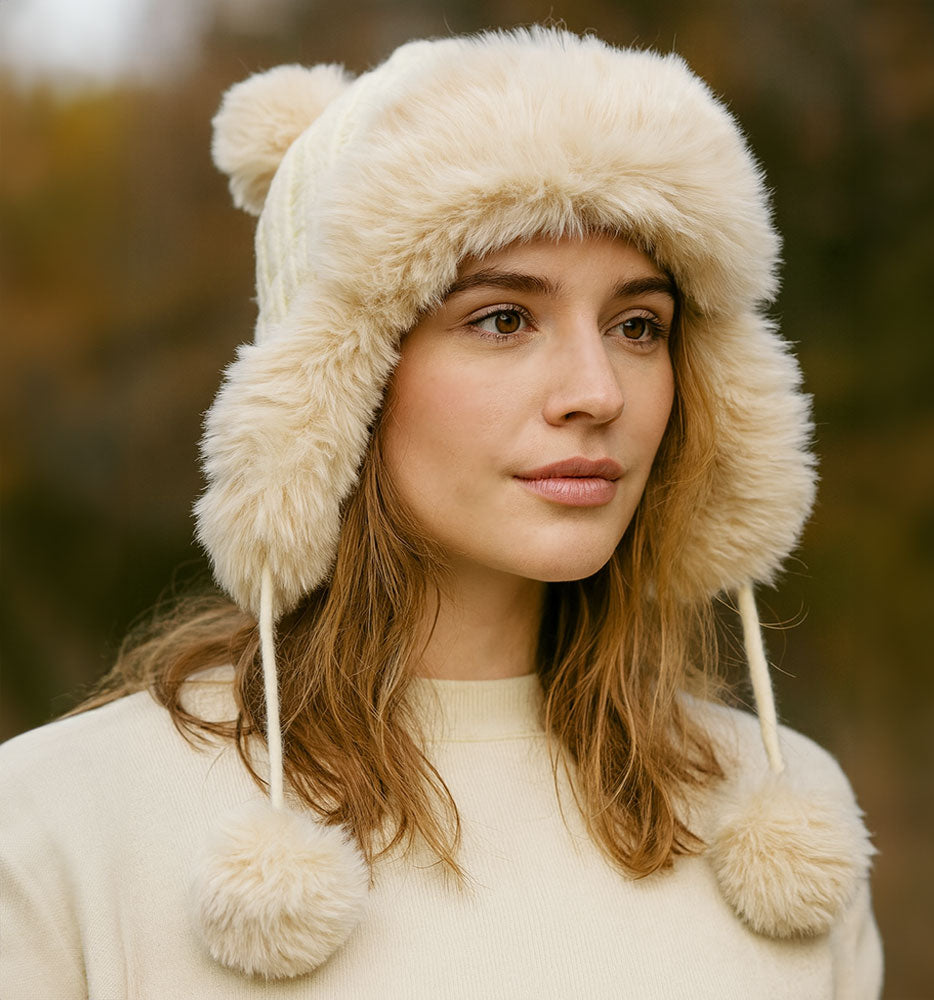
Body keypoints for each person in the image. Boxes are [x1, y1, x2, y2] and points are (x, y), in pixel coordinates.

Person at [0, 26, 883, 998]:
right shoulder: (64, 826)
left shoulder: (784, 811)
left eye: (638, 325)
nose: (597, 392)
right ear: (342, 383)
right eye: (503, 318)